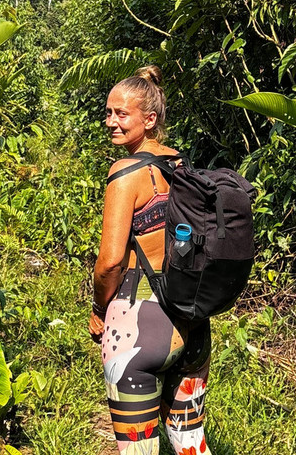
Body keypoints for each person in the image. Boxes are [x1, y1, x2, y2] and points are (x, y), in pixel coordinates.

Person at [90, 66, 211, 455]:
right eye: (108, 112)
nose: (110, 122)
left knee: (139, 451)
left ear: (150, 118)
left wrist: (97, 307)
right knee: (190, 443)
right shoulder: (182, 164)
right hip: (191, 322)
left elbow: (110, 261)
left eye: (121, 114)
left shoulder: (125, 173)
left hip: (139, 328)